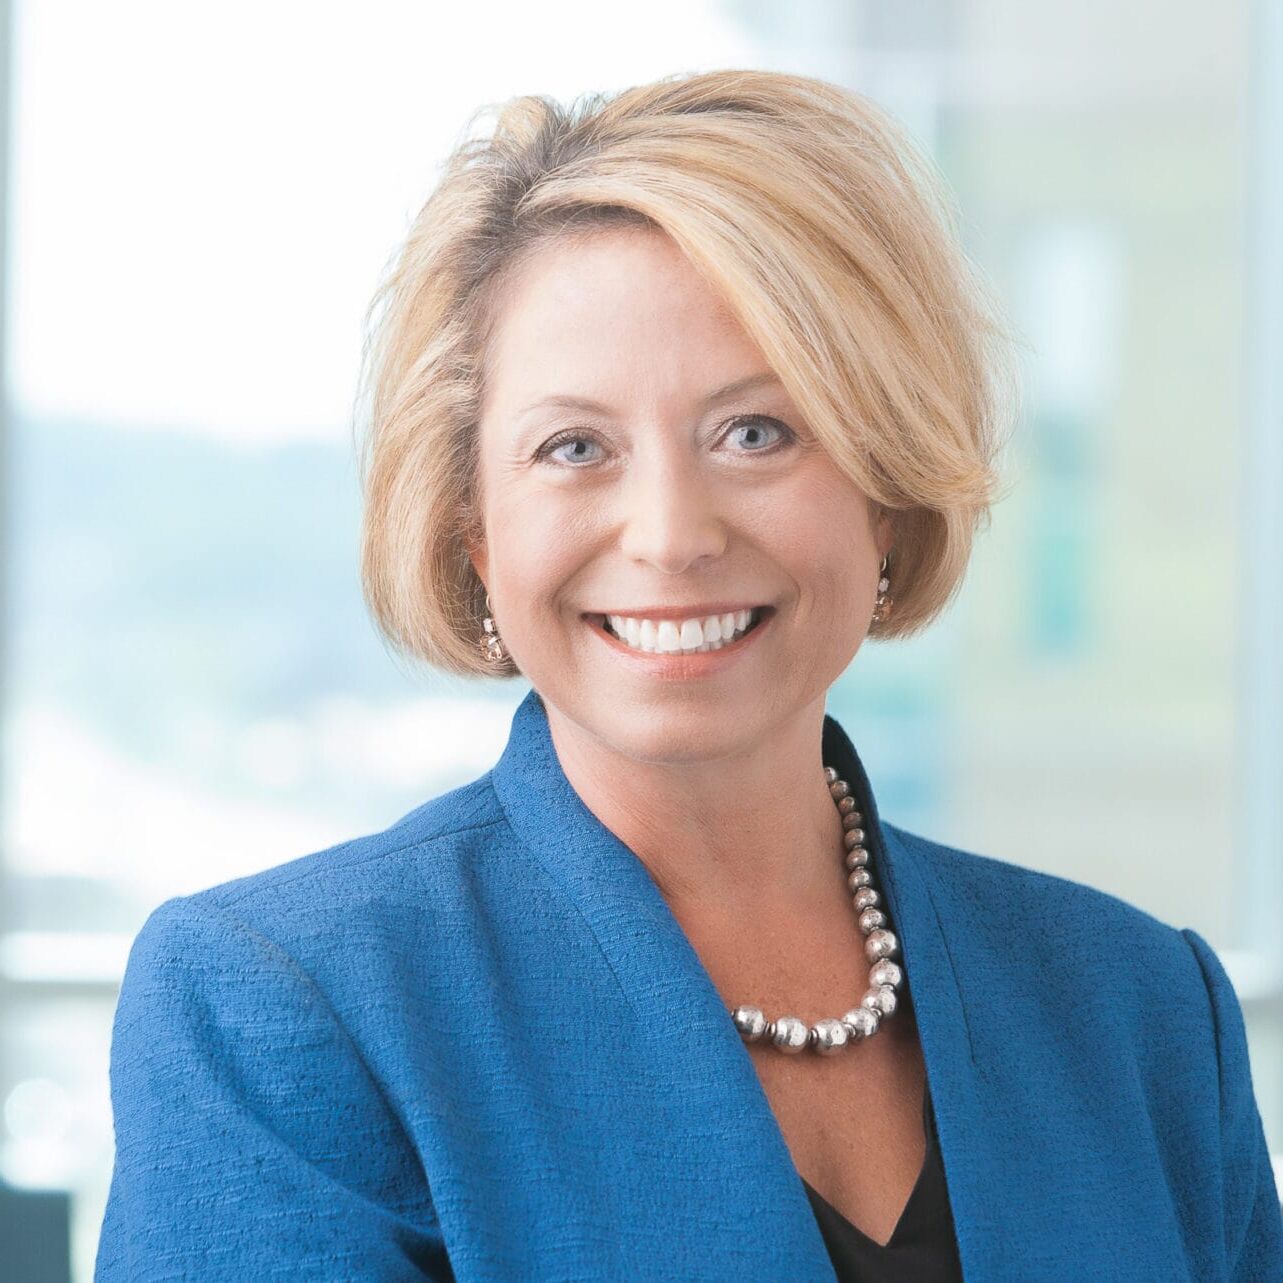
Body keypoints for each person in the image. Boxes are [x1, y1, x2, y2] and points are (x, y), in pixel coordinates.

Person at [95, 69, 1282, 1282]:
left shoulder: (1140, 1010)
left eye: (755, 432)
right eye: (573, 447)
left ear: (883, 486)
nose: (668, 532)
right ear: (473, 528)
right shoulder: (284, 1007)